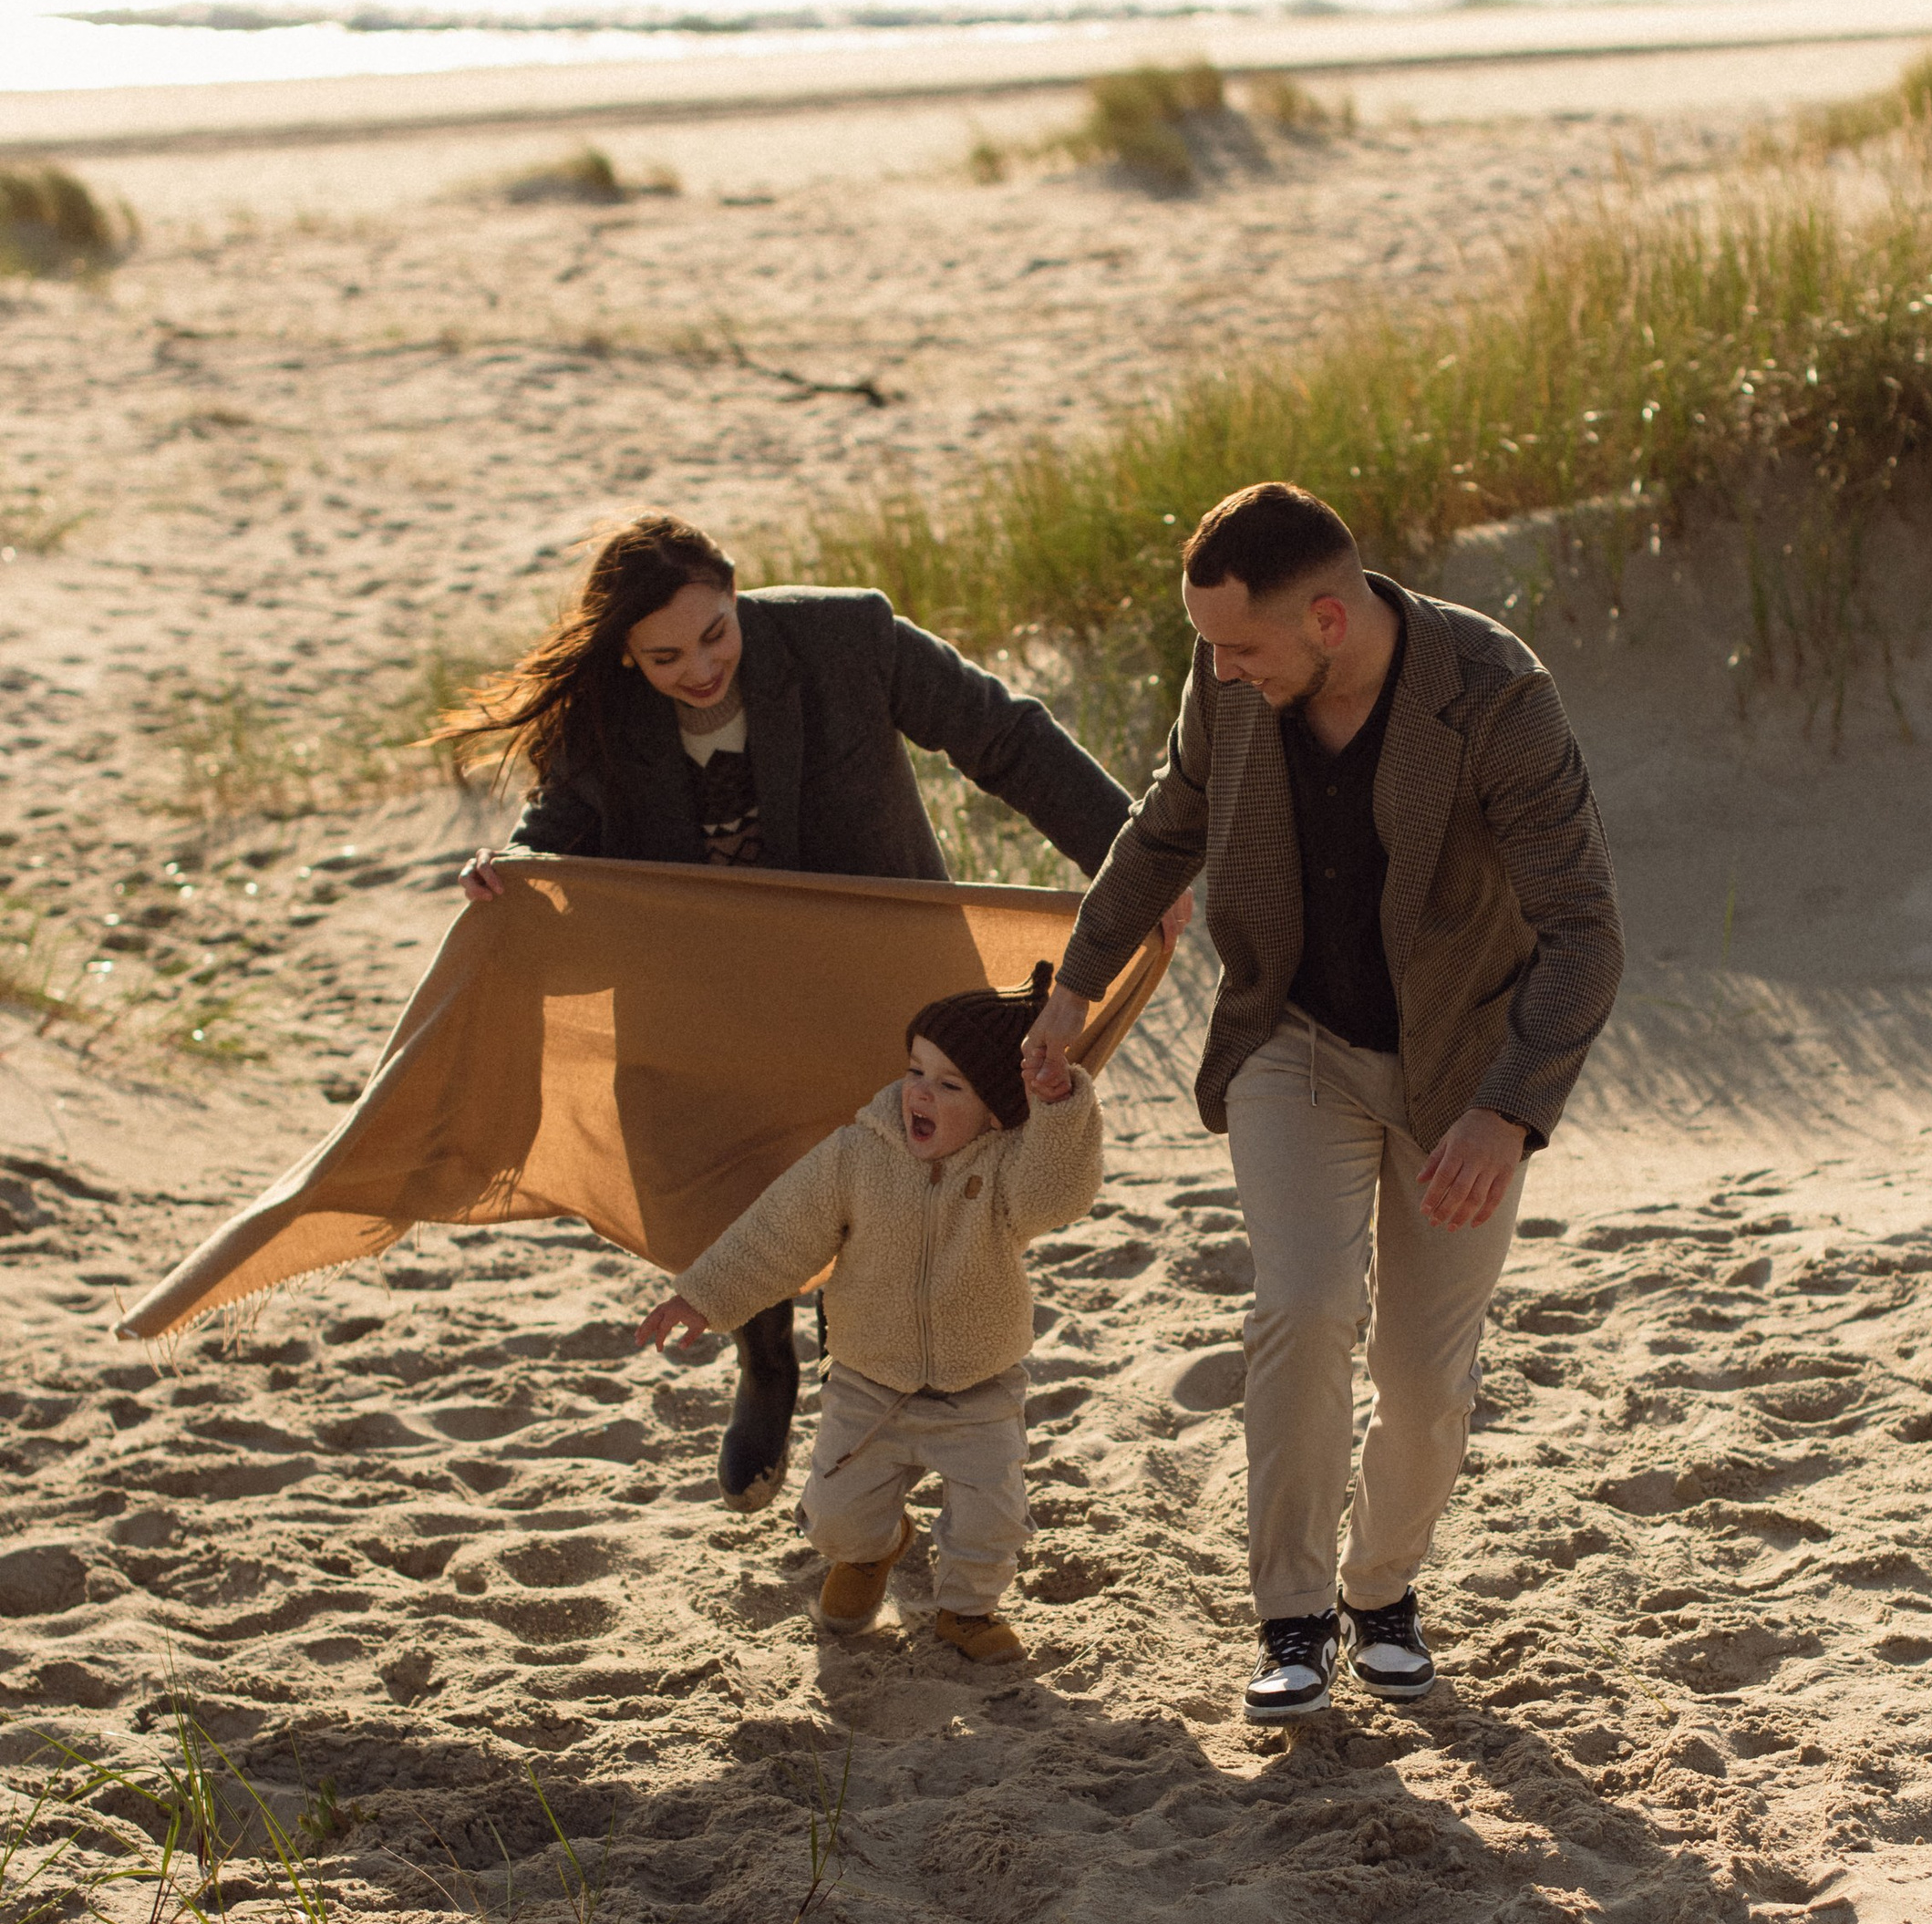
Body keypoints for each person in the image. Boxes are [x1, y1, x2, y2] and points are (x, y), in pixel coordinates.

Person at [1022, 481, 1622, 1724]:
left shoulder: (1496, 697)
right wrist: (1074, 987)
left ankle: (1382, 1590)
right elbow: (1169, 820)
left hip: (1461, 1069)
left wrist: (1504, 1113)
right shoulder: (1234, 683)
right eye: (1210, 646)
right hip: (1293, 1039)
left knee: (1425, 1378)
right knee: (1302, 1303)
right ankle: (1292, 1616)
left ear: (1331, 619)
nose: (1221, 670)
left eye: (1243, 645)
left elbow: (1583, 933)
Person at [441, 509, 1166, 1513]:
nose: (698, 667)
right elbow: (558, 835)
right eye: (663, 656)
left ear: (737, 593)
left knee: (896, 1172)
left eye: (714, 634)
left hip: (874, 971)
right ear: (623, 654)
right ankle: (767, 1363)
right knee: (742, 1186)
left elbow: (1001, 736)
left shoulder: (848, 639)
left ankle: (860, 1372)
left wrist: (1129, 867)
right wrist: (508, 874)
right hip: (705, 997)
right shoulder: (602, 719)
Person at [635, 964, 1100, 1665]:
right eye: (917, 1070)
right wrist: (702, 1295)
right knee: (837, 1514)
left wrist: (1060, 1108)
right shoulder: (858, 1155)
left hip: (979, 1389)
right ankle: (873, 1552)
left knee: (992, 1520)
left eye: (950, 1085)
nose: (920, 1091)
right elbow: (778, 1232)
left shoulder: (1007, 1169)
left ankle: (967, 1611)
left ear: (997, 1111)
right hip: (868, 1381)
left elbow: (1058, 1193)